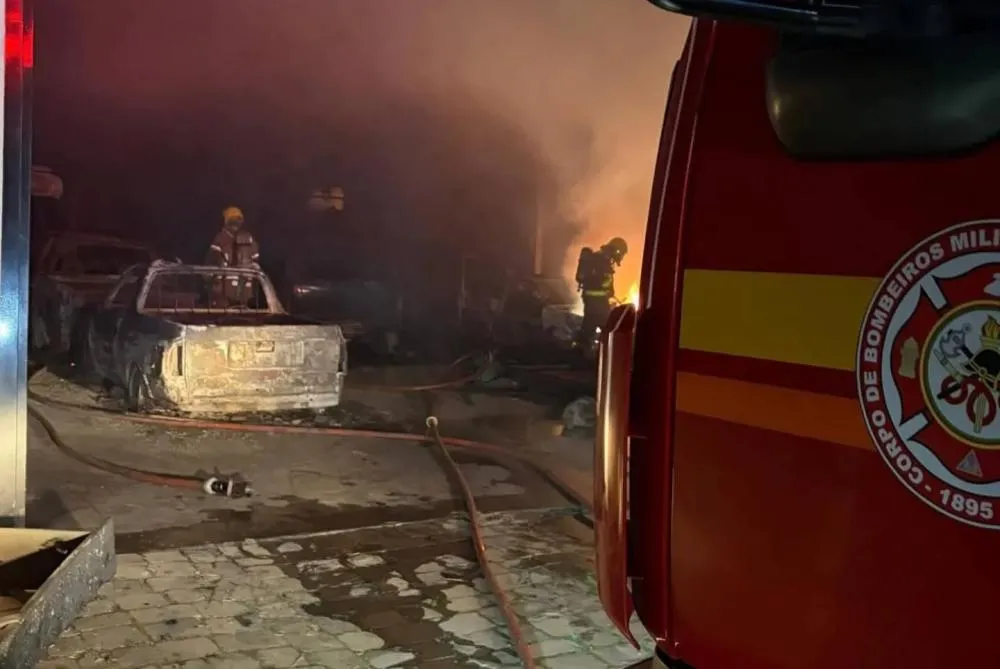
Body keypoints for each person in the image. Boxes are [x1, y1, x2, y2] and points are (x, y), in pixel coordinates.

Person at [574, 236, 628, 350]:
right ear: (616, 251)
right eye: (621, 254)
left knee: (589, 328)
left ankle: (580, 353)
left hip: (594, 302)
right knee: (608, 330)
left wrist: (610, 293)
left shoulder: (602, 260)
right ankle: (603, 355)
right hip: (597, 303)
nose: (621, 257)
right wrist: (608, 291)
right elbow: (601, 283)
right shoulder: (601, 261)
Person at [205, 206, 261, 307]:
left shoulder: (221, 238)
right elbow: (256, 261)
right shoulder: (249, 238)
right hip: (245, 291)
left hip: (224, 292)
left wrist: (210, 279)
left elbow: (211, 262)